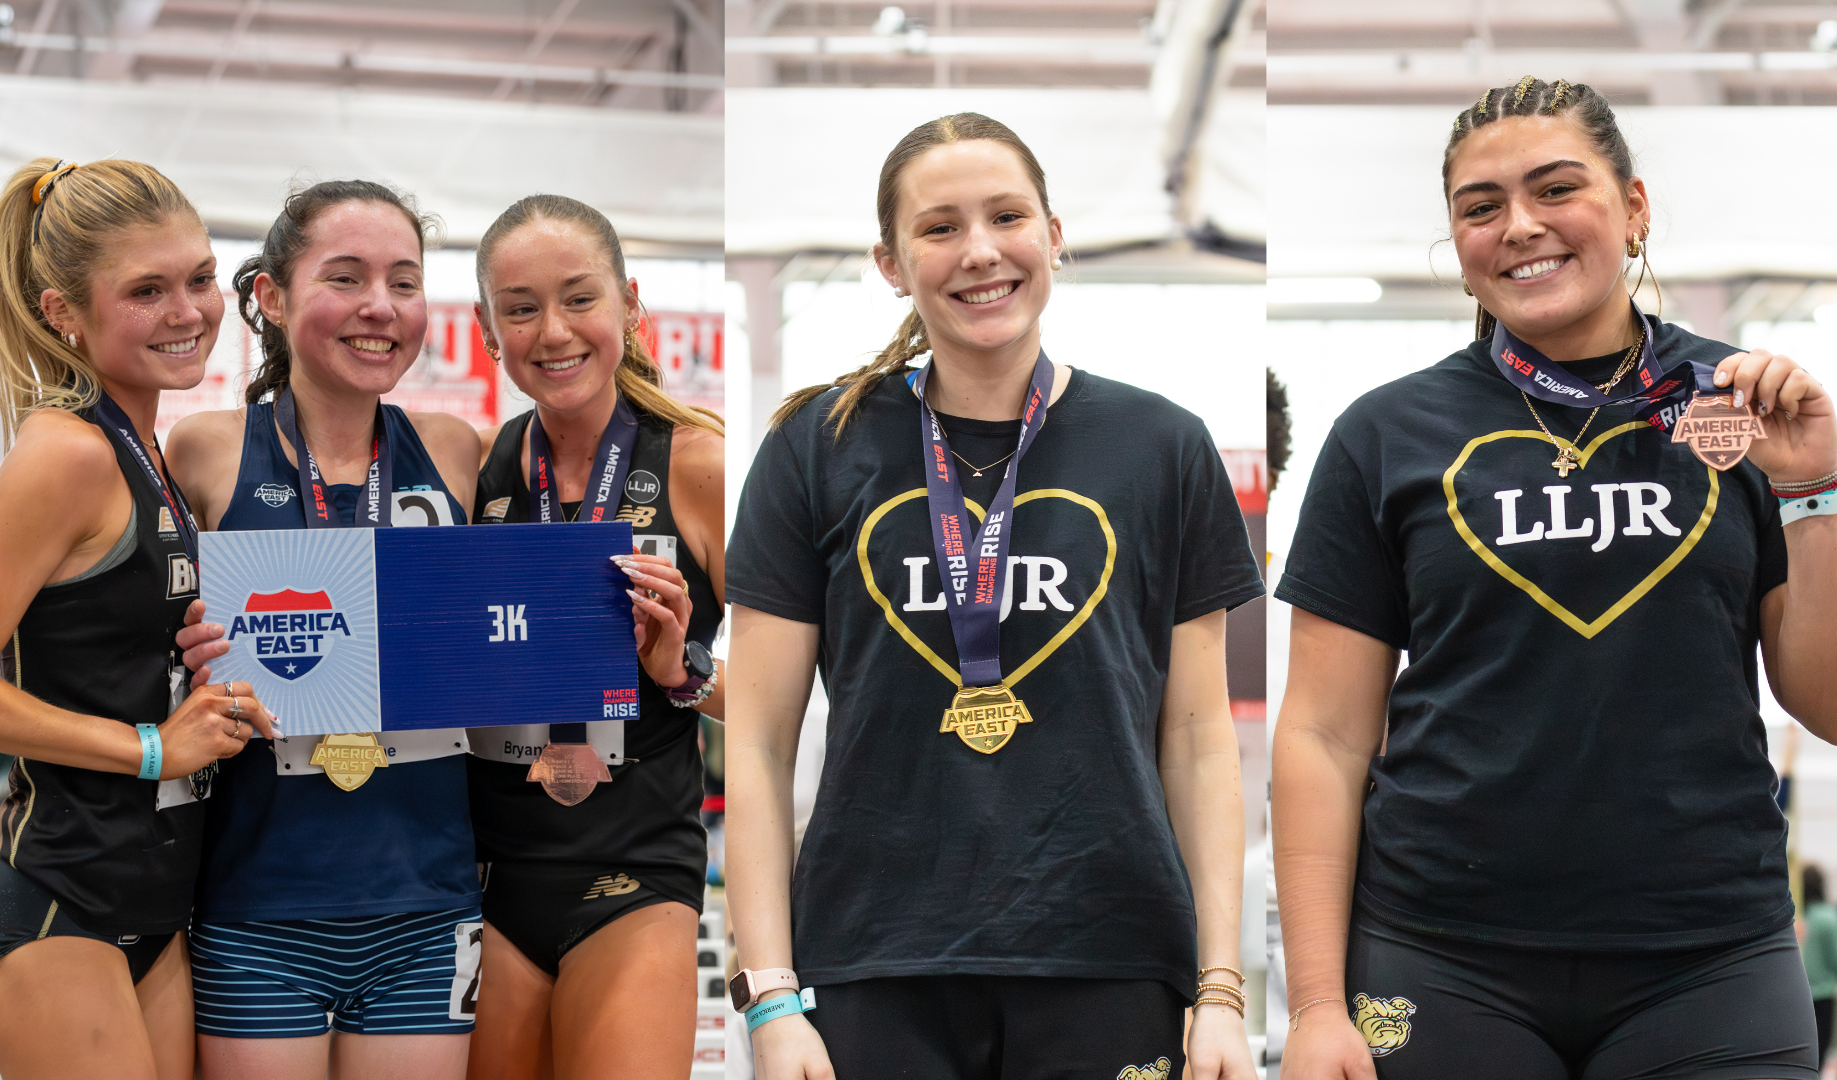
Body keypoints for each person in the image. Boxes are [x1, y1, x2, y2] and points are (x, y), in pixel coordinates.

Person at [1271, 78, 1837, 1079]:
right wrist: (1310, 1007)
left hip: (1709, 958)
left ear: (1634, 208)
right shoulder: (1385, 436)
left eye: (1556, 189)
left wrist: (1812, 483)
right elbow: (1323, 735)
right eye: (1481, 207)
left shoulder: (1755, 409)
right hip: (1441, 953)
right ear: (1457, 240)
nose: (1520, 226)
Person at [727, 112, 1266, 1080]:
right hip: (873, 963)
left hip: (1112, 959)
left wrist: (1219, 988)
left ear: (1053, 235)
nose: (980, 251)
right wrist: (770, 996)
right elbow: (759, 746)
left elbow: (1196, 738)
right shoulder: (817, 446)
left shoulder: (1163, 448)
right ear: (891, 262)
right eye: (939, 228)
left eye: (1007, 216)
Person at [165, 180, 481, 1080]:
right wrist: (184, 655)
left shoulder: (456, 449)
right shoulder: (206, 450)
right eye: (346, 278)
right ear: (271, 296)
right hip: (257, 904)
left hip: (428, 904)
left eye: (405, 282)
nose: (381, 307)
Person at [0, 157, 275, 1080]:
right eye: (146, 291)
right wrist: (154, 746)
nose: (188, 311)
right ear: (61, 311)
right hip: (57, 893)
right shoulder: (67, 453)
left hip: (158, 897)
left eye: (199, 279)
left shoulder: (146, 448)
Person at [462, 193, 724, 1080]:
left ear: (630, 305)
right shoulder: (477, 470)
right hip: (488, 873)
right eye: (521, 308)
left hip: (635, 871)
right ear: (489, 330)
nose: (553, 331)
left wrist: (677, 669)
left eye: (579, 298)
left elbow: (783, 688)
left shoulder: (696, 463)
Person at [1804, 865, 1837, 1065]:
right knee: (1819, 1055)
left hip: (1795, 994)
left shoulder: (1792, 917)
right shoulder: (1829, 916)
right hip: (1824, 993)